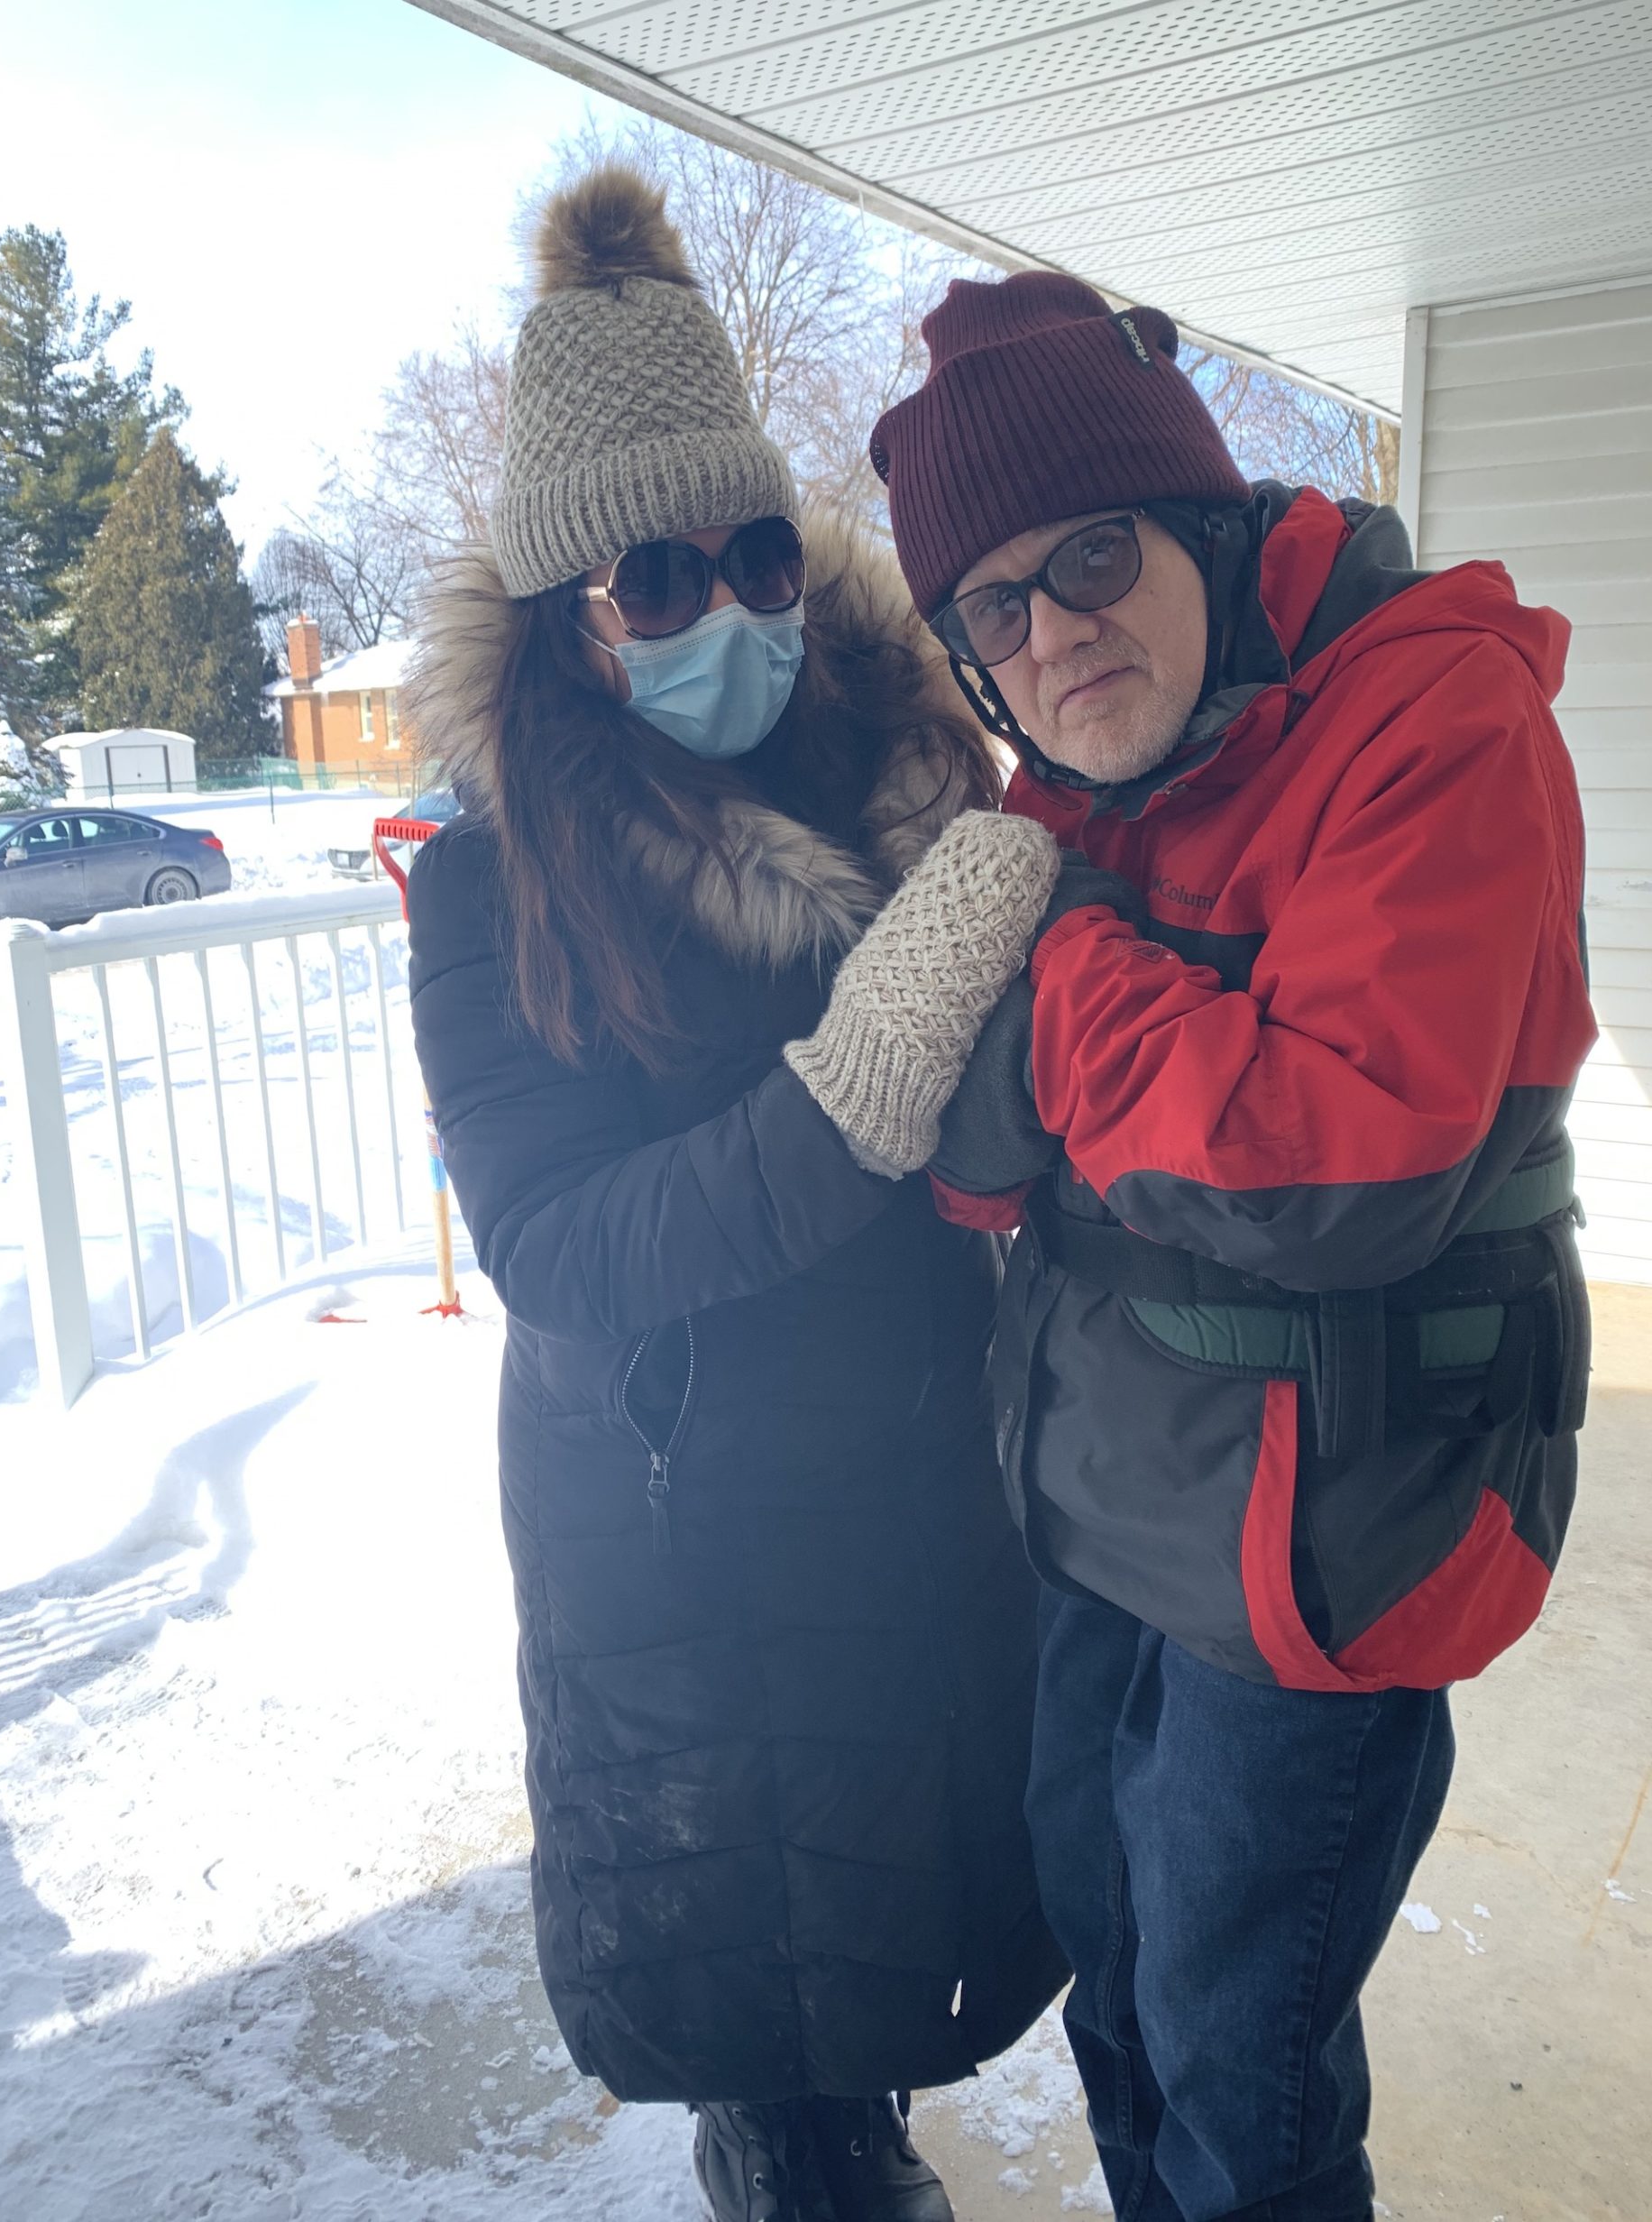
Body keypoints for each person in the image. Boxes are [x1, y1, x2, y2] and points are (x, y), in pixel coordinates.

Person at [792, 269, 1595, 2221]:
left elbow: (1327, 1167)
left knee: (1242, 2060)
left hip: (1317, 1540)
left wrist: (1062, 964)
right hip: (1103, 1513)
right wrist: (1092, 1025)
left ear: (1206, 526)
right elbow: (978, 1167)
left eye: (1093, 558)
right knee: (1123, 1986)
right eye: (999, 606)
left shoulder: (1428, 719)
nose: (1059, 631)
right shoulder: (1071, 787)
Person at [403, 168, 1067, 2222]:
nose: (726, 609)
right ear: (569, 620)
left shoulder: (925, 755)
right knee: (771, 1998)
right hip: (681, 1516)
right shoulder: (487, 881)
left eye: (754, 554)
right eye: (656, 580)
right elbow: (557, 1245)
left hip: (922, 1467)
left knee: (902, 1919)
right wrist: (856, 1085)